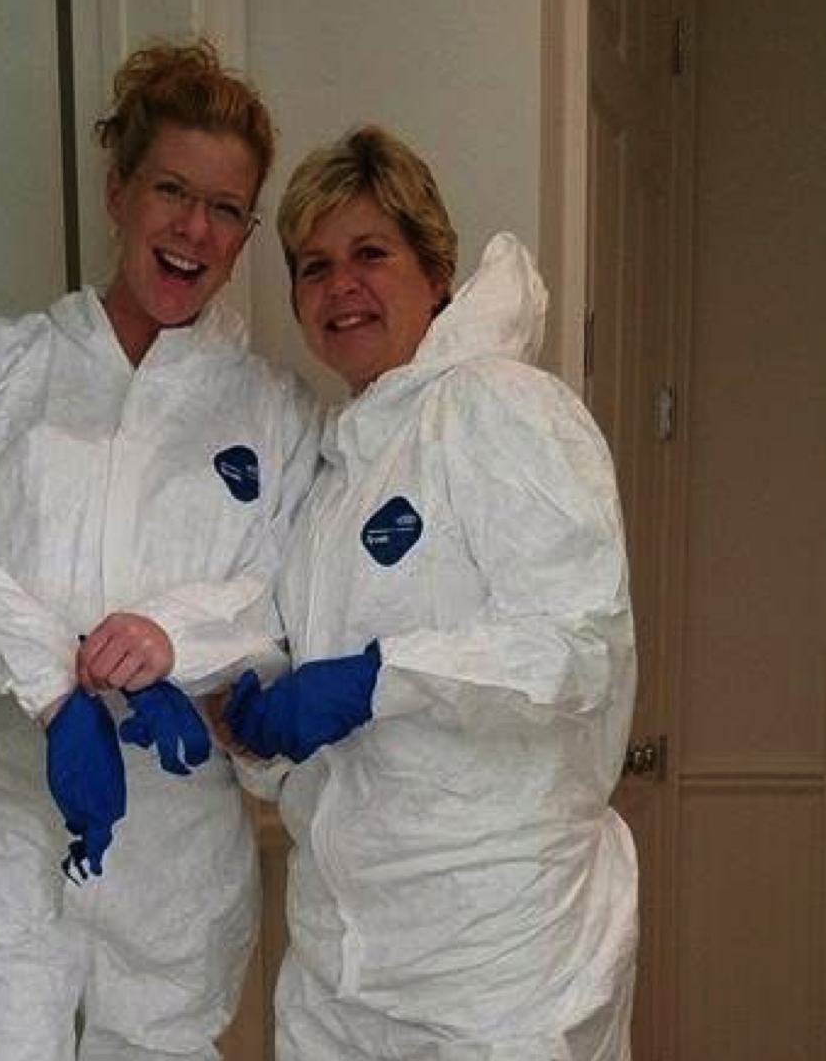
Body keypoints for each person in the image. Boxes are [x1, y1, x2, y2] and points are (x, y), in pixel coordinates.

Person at [0, 40, 319, 1061]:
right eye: (172, 190)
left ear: (245, 233)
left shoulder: (273, 414)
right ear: (118, 192)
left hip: (176, 842)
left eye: (226, 208)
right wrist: (51, 687)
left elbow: (291, 592)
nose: (194, 229)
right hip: (1, 819)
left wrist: (175, 640)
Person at [219, 126, 638, 1059]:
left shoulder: (501, 407)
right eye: (314, 266)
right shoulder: (335, 476)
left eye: (370, 253)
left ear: (435, 268)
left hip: (499, 962)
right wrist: (250, 733)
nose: (341, 286)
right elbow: (328, 744)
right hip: (345, 962)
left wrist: (377, 679)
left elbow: (577, 649)